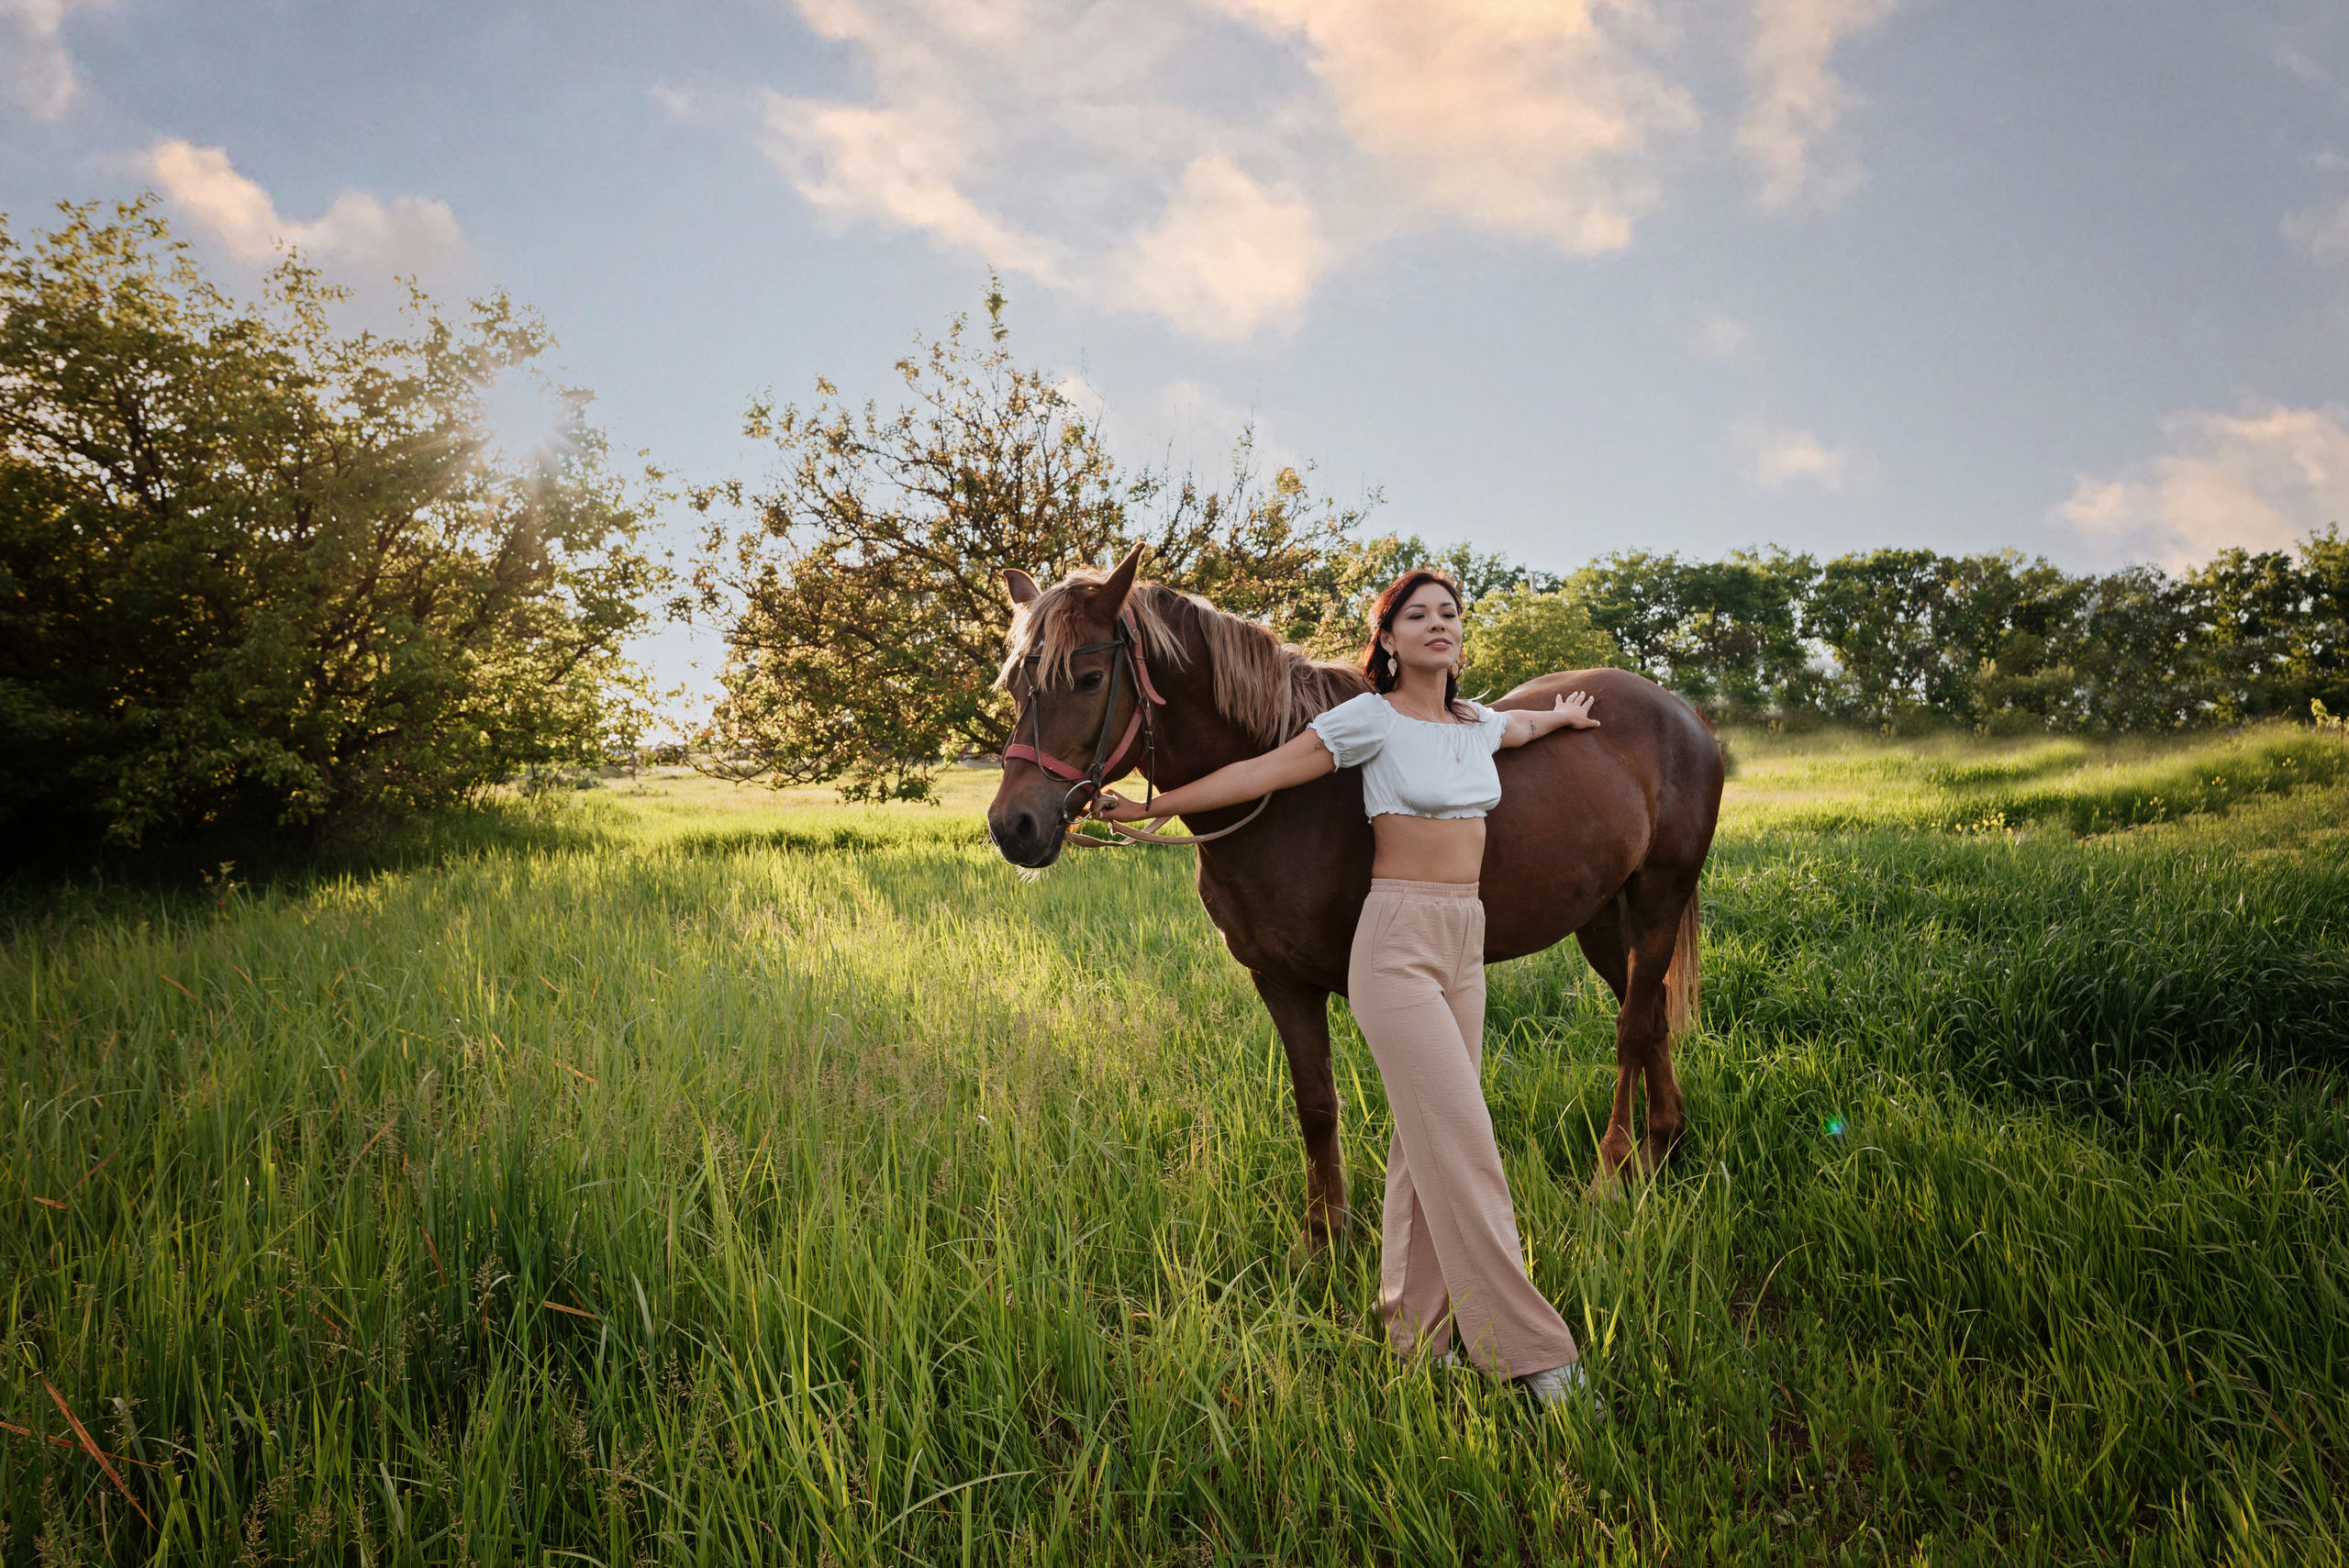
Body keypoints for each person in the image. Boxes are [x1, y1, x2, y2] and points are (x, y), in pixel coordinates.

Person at [1098, 569, 1603, 1409]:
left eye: (1450, 613)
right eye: (1418, 614)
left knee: (1423, 1137)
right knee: (1466, 1139)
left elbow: (1518, 726)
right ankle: (1529, 1349)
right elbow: (1263, 772)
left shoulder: (1474, 723)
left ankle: (1413, 1331)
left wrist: (1564, 717)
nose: (1438, 624)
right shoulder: (1369, 717)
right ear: (1390, 638)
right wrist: (1150, 808)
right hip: (1397, 945)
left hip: (1463, 942)